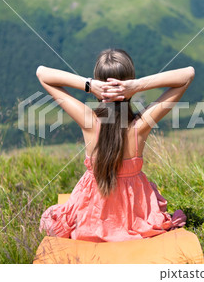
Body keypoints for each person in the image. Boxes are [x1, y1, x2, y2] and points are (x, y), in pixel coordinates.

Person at [37, 49, 195, 242]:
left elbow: (42, 73)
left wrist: (89, 85)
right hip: (134, 217)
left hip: (92, 218)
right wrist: (136, 86)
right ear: (129, 83)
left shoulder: (88, 121)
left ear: (97, 84)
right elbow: (188, 74)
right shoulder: (140, 125)